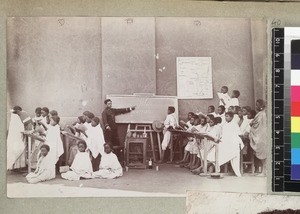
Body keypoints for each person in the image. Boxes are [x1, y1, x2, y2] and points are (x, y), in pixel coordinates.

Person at [207, 112, 243, 177]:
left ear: (232, 117)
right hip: (224, 143)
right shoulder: (225, 124)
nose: (226, 118)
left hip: (232, 144)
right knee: (213, 152)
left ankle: (209, 169)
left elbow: (237, 135)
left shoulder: (234, 124)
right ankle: (207, 168)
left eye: (228, 116)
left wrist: (228, 140)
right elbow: (223, 135)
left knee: (219, 152)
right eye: (225, 116)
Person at [249, 99, 267, 176]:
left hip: (261, 135)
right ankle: (264, 171)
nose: (256, 106)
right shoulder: (262, 113)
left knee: (261, 151)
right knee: (262, 152)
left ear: (261, 106)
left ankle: (264, 171)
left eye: (257, 105)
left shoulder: (261, 114)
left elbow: (255, 123)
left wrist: (251, 123)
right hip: (262, 134)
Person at [7, 106, 26, 170]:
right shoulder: (16, 117)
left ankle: (14, 167)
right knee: (17, 150)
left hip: (13, 137)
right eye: (20, 112)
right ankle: (12, 166)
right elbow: (20, 129)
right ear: (18, 111)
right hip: (16, 137)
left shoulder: (13, 117)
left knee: (13, 151)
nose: (21, 113)